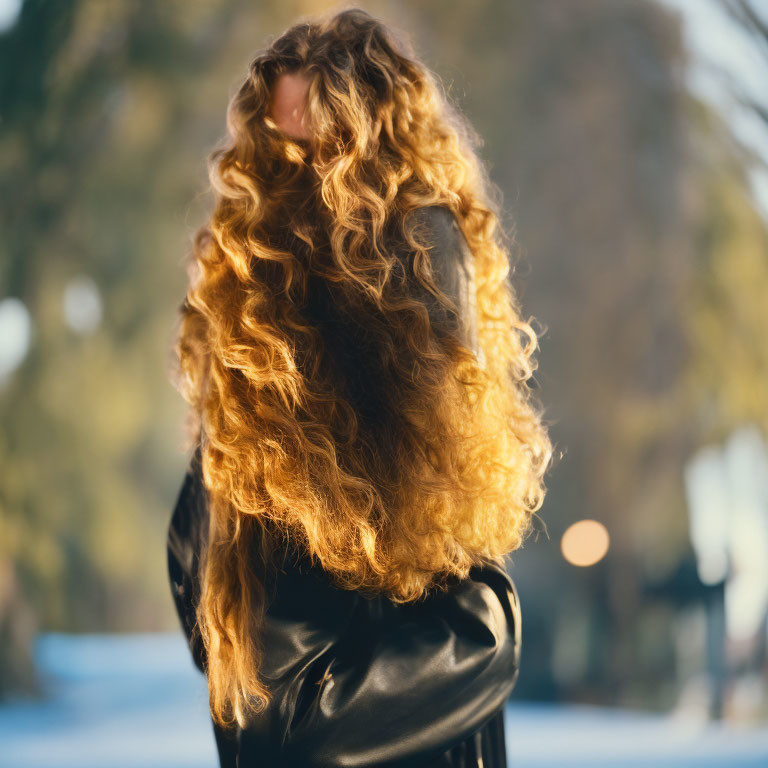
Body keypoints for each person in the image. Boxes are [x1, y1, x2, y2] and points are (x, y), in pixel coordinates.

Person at [167, 7, 553, 767]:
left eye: (337, 155)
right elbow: (286, 718)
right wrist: (482, 634)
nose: (312, 185)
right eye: (284, 152)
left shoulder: (427, 256)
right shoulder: (265, 428)